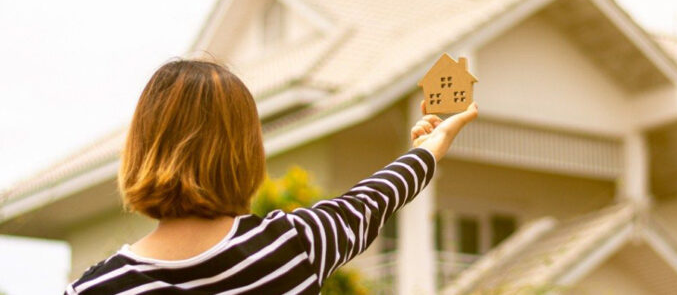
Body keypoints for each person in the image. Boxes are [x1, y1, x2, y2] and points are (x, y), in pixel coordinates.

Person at [64, 60, 478, 294]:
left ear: (141, 147)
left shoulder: (95, 290)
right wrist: (431, 146)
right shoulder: (293, 244)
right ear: (245, 151)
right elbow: (373, 199)